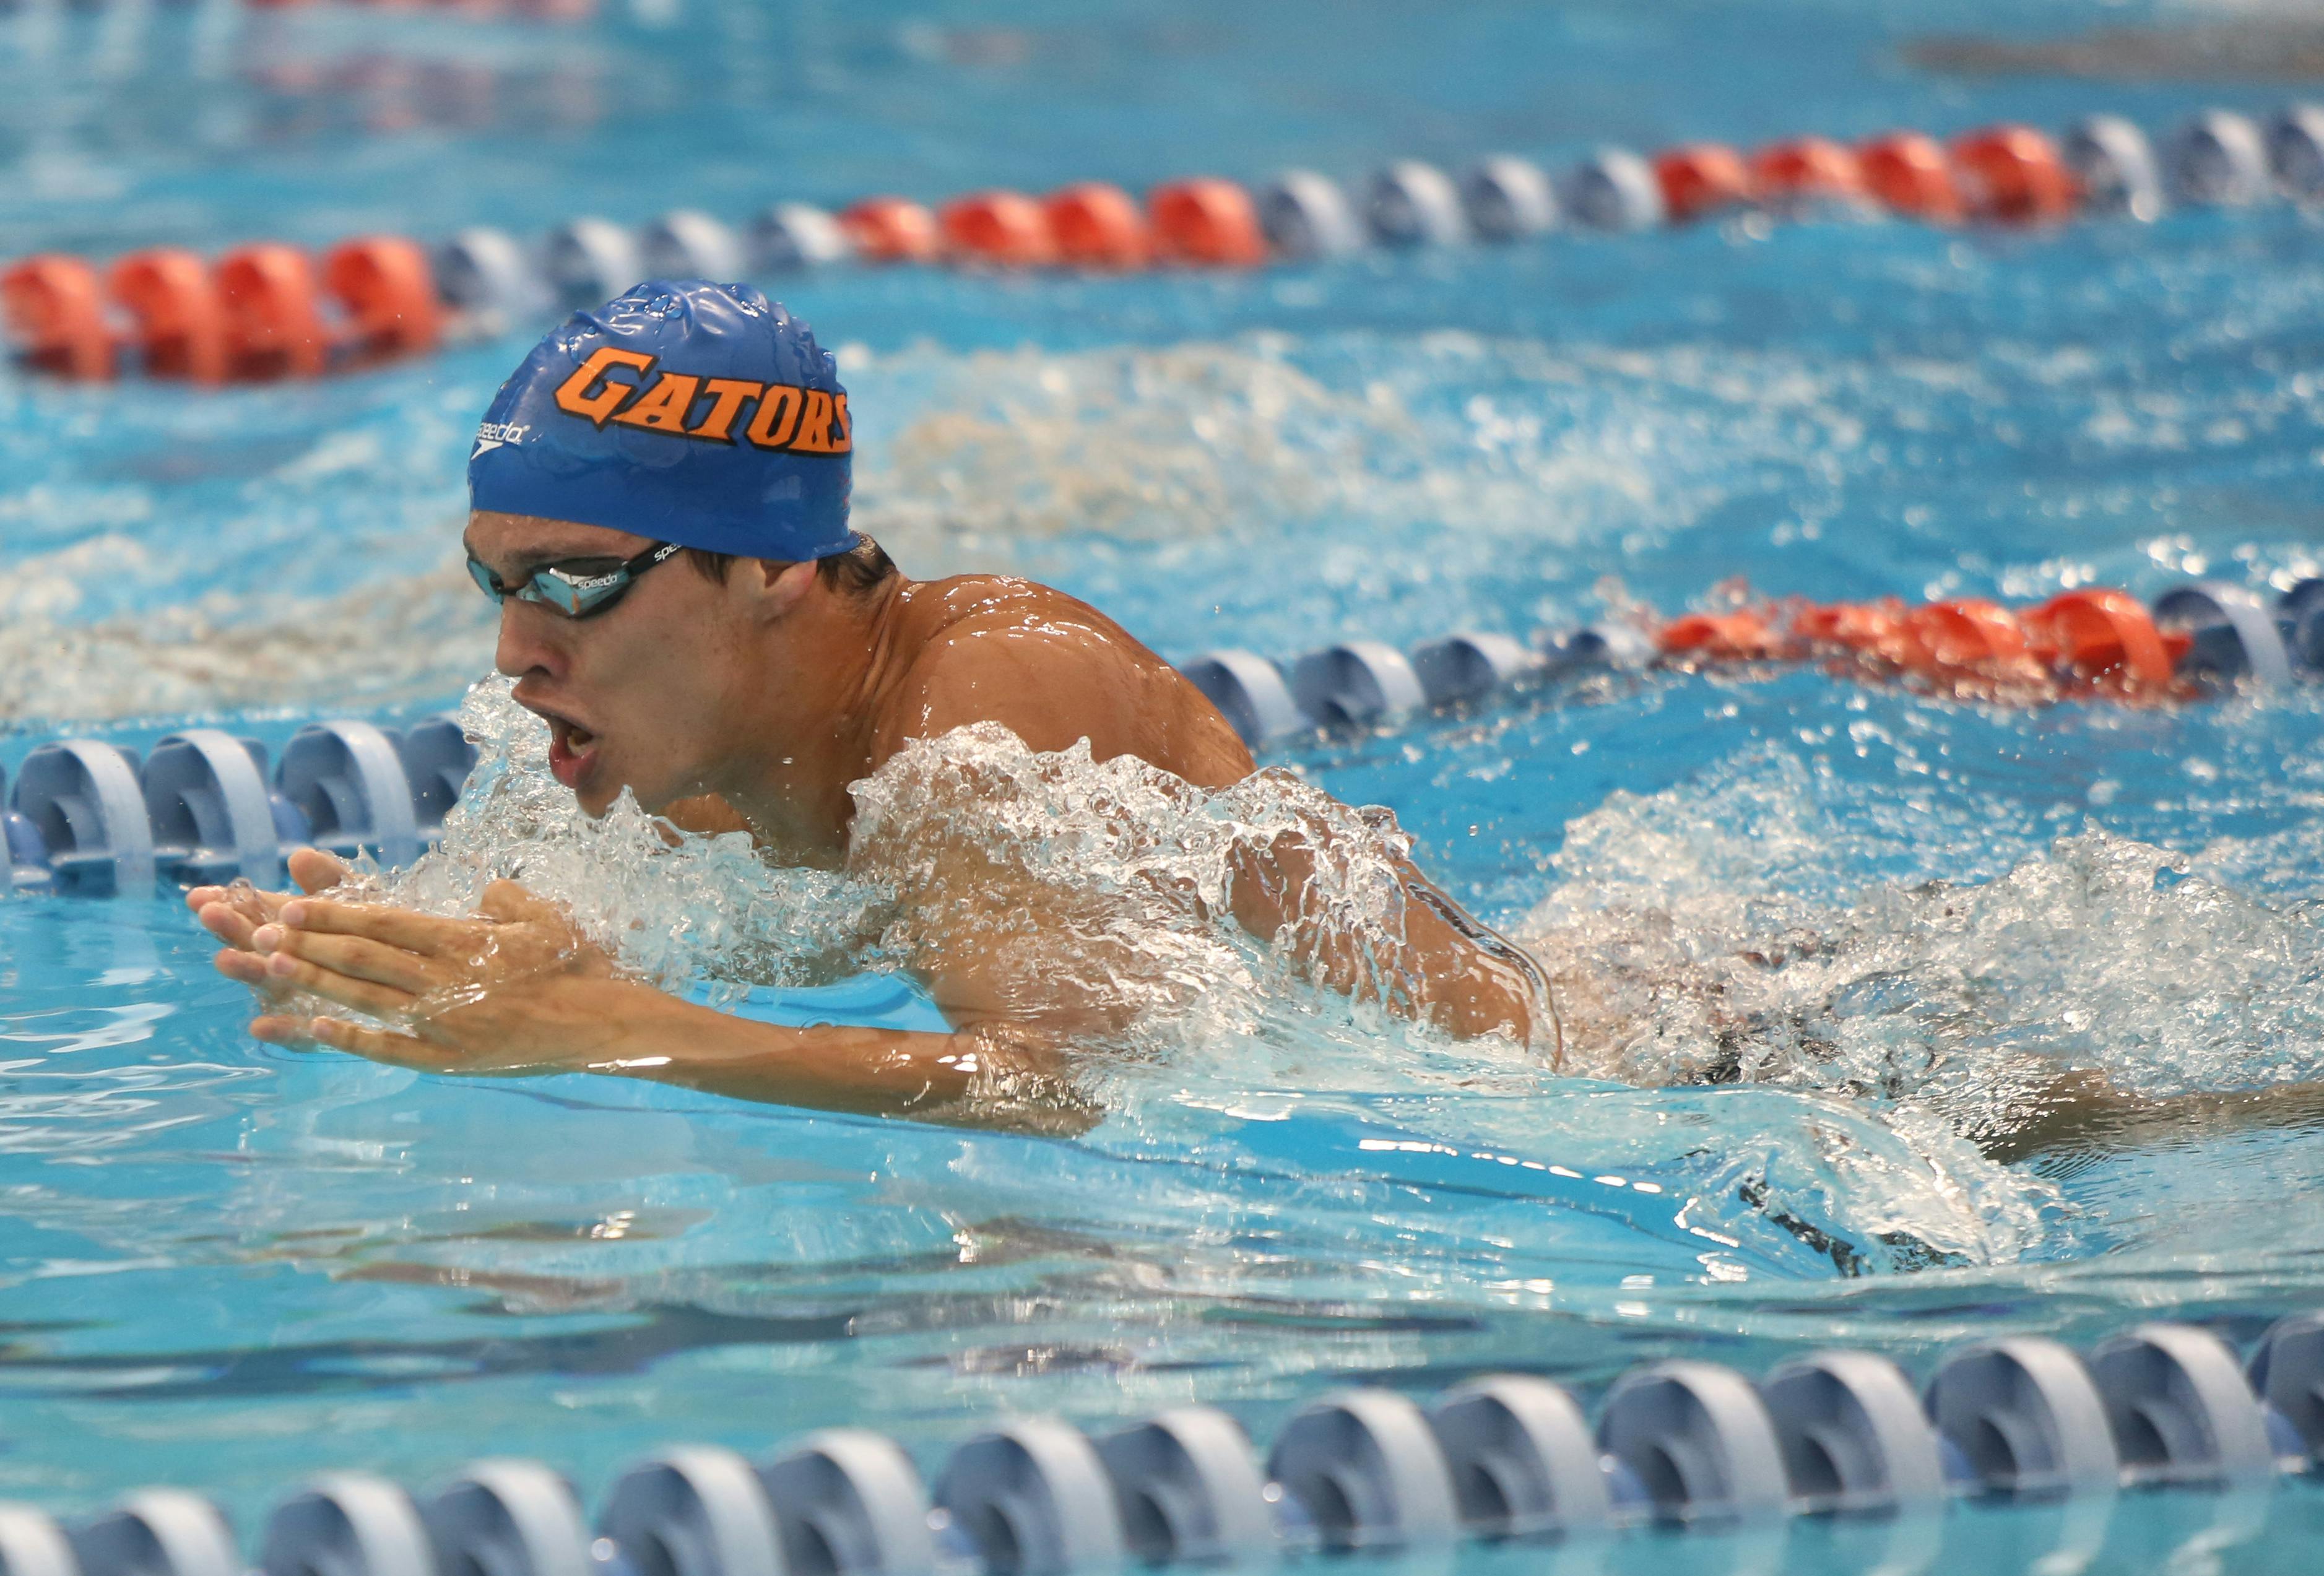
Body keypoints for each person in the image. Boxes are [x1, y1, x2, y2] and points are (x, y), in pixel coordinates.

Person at [190, 280, 1558, 1128]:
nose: (513, 652)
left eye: (574, 582)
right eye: (495, 583)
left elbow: (1064, 1084)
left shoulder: (985, 703)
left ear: (773, 566)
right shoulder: (695, 760)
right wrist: (403, 959)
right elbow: (598, 956)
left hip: (1608, 1085)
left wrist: (620, 1034)